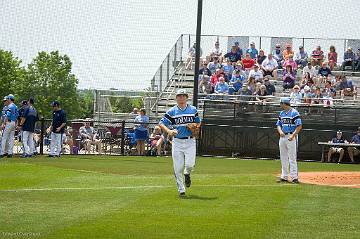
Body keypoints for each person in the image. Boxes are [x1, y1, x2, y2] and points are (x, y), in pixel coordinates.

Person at [159, 89, 201, 198]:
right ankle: (181, 190)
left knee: (190, 165)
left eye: (183, 96)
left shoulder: (193, 109)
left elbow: (198, 122)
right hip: (177, 142)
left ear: (187, 97)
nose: (181, 98)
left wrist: (196, 126)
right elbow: (161, 123)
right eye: (179, 96)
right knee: (177, 168)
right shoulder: (172, 111)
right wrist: (169, 131)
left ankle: (187, 173)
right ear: (176, 98)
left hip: (190, 141)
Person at [276, 97, 302, 183]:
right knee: (283, 157)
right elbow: (278, 124)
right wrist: (280, 132)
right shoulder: (282, 113)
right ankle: (284, 176)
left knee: (292, 158)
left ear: (284, 103)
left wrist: (293, 135)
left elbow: (299, 126)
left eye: (281, 103)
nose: (280, 105)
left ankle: (294, 177)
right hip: (283, 136)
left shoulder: (294, 112)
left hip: (291, 136)